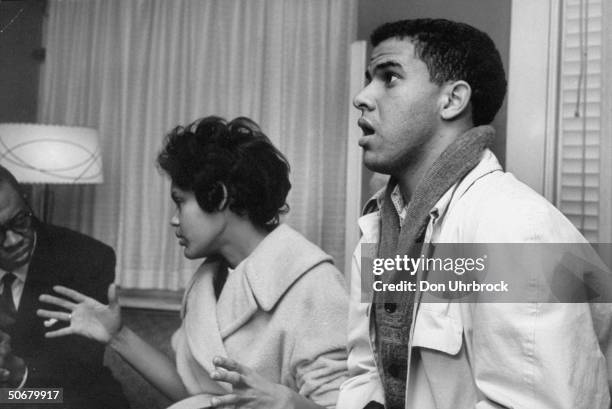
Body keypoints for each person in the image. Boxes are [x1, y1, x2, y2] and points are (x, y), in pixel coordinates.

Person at [337, 19, 612, 409]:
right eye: (369, 78)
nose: (362, 97)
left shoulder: (518, 231)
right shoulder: (377, 229)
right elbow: (366, 373)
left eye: (389, 77)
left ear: (452, 100)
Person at [37, 116, 349, 408]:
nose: (174, 220)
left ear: (220, 195)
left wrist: (289, 404)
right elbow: (200, 397)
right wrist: (119, 336)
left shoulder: (312, 283)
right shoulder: (209, 281)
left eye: (180, 202)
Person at [0, 166, 129, 408]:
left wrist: (17, 371)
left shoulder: (87, 258)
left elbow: (78, 372)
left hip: (65, 396)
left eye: (19, 221)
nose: (14, 240)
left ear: (27, 203)